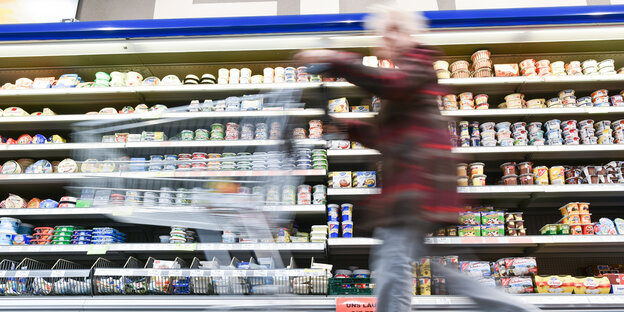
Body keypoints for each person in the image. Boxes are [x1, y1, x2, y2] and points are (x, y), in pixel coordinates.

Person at [296, 5, 541, 312]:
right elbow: (389, 140)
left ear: (404, 33)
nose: (385, 40)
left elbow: (393, 85)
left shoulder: (419, 64)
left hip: (416, 189)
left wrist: (335, 59)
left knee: (391, 263)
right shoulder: (408, 78)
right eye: (383, 35)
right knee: (436, 266)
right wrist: (347, 127)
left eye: (391, 32)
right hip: (417, 189)